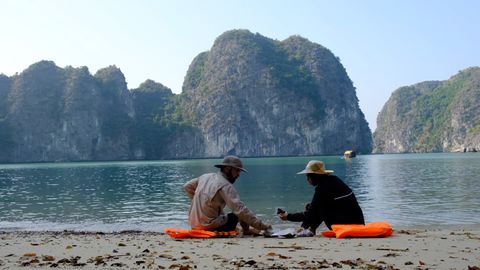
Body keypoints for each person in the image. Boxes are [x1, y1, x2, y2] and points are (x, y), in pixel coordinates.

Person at [183, 155, 273, 236]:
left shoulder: (205, 176)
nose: (238, 174)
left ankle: (246, 229)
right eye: (237, 170)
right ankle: (246, 230)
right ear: (227, 169)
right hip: (209, 227)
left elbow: (187, 186)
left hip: (193, 225)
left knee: (231, 213)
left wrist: (200, 201)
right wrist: (264, 227)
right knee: (238, 213)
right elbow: (241, 211)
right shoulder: (226, 186)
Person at [278, 160, 364, 236]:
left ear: (314, 176)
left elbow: (310, 213)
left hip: (347, 225)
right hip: (357, 221)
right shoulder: (333, 180)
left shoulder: (322, 188)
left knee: (318, 207)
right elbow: (313, 209)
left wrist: (288, 216)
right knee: (315, 206)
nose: (307, 179)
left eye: (308, 176)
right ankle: (307, 229)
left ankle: (306, 229)